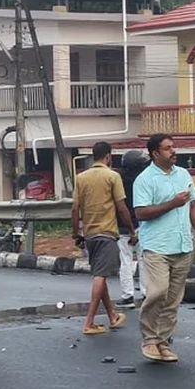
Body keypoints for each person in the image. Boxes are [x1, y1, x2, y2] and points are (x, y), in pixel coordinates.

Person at [133, 134, 195, 364]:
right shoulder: (145, 179)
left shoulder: (183, 174)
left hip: (182, 244)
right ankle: (149, 339)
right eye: (168, 148)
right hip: (156, 246)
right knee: (157, 292)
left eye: (173, 147)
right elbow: (141, 213)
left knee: (173, 299)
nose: (173, 151)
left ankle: (163, 342)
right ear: (155, 153)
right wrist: (172, 203)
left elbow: (193, 206)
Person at [72, 142, 135, 335]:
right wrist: (132, 229)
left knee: (101, 273)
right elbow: (121, 207)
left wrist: (77, 233)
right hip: (107, 232)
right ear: (108, 157)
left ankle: (112, 316)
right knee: (100, 276)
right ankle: (89, 322)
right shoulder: (112, 176)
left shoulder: (81, 177)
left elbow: (75, 209)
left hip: (90, 234)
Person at [115, 149, 145, 308]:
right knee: (144, 260)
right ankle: (147, 293)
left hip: (124, 224)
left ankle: (128, 296)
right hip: (144, 224)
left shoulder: (119, 179)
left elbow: (120, 205)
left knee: (125, 261)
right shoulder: (145, 178)